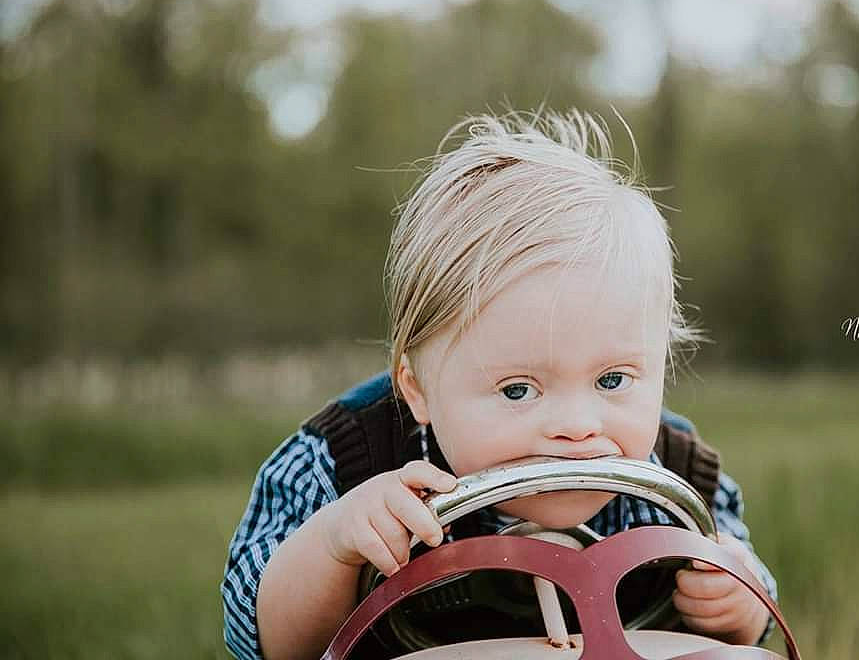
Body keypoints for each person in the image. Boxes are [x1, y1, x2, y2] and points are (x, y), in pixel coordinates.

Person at [221, 109, 778, 660]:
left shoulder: (678, 481)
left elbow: (739, 630)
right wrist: (335, 547)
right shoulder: (345, 464)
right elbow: (267, 644)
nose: (578, 428)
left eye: (611, 380)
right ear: (417, 390)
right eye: (518, 390)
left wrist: (736, 604)